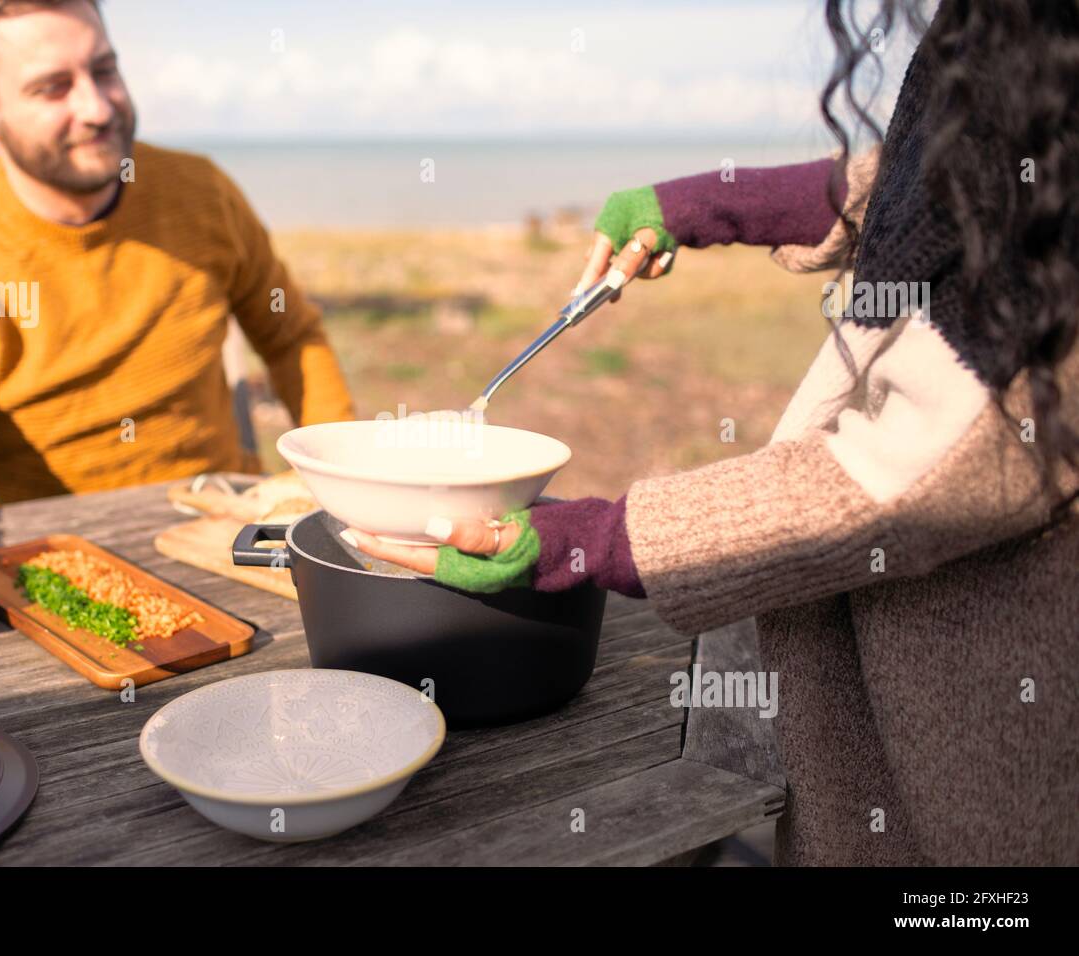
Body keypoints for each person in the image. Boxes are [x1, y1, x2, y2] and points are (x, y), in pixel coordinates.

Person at [343, 0, 1079, 865]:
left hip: (977, 745)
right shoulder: (1009, 30)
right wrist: (712, 205)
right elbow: (950, 178)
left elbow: (914, 472)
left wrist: (591, 540)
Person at [0, 0, 354, 645]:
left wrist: (345, 479)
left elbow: (292, 338)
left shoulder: (201, 191)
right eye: (53, 87)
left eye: (104, 69)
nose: (97, 107)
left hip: (227, 536)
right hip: (52, 578)